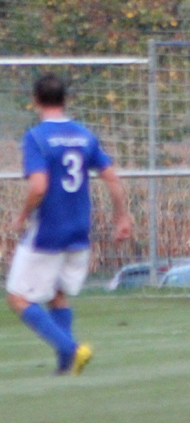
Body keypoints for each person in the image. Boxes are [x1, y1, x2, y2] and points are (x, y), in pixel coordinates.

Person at [6, 73, 132, 375]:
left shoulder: (36, 137)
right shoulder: (84, 136)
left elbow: (38, 186)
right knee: (55, 293)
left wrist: (21, 216)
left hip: (49, 230)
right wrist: (122, 216)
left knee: (17, 297)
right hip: (79, 230)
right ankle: (66, 367)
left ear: (35, 101)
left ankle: (71, 349)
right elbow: (111, 177)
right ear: (65, 100)